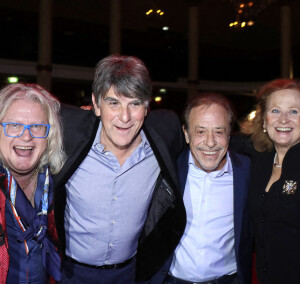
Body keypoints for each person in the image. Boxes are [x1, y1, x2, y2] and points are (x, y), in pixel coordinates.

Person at [53, 55, 186, 283]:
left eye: (134, 103)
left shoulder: (166, 133)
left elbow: (213, 141)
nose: (124, 117)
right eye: (113, 102)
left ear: (146, 107)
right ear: (96, 104)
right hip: (72, 274)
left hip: (131, 273)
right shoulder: (68, 131)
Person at [151, 93, 253, 284]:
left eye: (219, 131)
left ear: (230, 134)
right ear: (187, 134)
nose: (210, 142)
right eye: (200, 132)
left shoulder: (248, 172)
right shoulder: (166, 169)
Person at [231, 79, 300, 284]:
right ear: (263, 120)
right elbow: (222, 139)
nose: (284, 119)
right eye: (276, 111)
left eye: (294, 111)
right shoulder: (258, 158)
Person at [0, 83, 66, 284]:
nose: (26, 136)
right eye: (14, 125)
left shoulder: (57, 182)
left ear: (50, 136)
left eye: (37, 126)